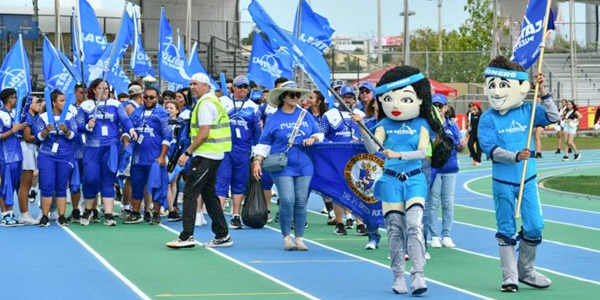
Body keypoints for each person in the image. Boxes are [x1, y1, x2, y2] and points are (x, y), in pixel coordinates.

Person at [354, 66, 451, 295]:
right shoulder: (383, 125)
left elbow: (422, 153)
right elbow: (373, 149)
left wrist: (398, 155)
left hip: (415, 179)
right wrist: (361, 127)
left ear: (419, 100)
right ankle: (398, 276)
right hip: (390, 181)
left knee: (414, 225)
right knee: (394, 229)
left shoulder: (422, 124)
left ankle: (418, 275)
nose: (396, 106)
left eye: (404, 99)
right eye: (389, 99)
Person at [479, 56, 558, 292]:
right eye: (492, 85)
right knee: (505, 229)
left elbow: (554, 118)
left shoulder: (529, 110)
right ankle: (510, 277)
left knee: (534, 226)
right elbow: (489, 148)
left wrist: (543, 90)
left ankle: (526, 271)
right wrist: (514, 156)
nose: (497, 91)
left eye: (503, 85)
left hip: (528, 179)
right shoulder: (487, 118)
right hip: (502, 182)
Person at [252, 81, 324, 251]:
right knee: (287, 200)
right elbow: (265, 142)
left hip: (305, 165)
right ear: (283, 97)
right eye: (291, 94)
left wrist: (313, 139)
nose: (295, 97)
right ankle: (286, 236)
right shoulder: (274, 117)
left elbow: (319, 133)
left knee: (300, 201)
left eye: (297, 95)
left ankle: (299, 237)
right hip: (282, 164)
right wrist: (257, 161)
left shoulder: (305, 115)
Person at [166, 73, 233, 248]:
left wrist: (187, 153)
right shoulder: (211, 101)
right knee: (209, 195)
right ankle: (222, 234)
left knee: (189, 194)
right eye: (190, 84)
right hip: (213, 154)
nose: (192, 87)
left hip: (206, 155)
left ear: (205, 85)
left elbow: (204, 132)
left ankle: (186, 236)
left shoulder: (205, 104)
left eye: (195, 84)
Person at [76, 79, 137, 226]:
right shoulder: (86, 105)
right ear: (94, 90)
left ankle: (109, 214)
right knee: (90, 178)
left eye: (107, 88)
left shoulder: (115, 104)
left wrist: (131, 129)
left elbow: (124, 120)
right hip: (92, 147)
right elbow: (77, 124)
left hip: (110, 146)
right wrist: (87, 125)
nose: (105, 91)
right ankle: (89, 210)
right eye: (101, 88)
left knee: (108, 179)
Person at [216, 75, 261, 229]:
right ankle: (219, 215)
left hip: (243, 148)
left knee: (239, 182)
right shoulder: (222, 102)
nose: (243, 90)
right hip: (224, 147)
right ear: (233, 88)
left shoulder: (253, 106)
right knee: (222, 180)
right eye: (240, 86)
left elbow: (256, 131)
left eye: (245, 87)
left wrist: (256, 153)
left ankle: (236, 215)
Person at [320, 85, 365, 235]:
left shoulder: (360, 114)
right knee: (339, 191)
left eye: (351, 96)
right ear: (339, 98)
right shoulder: (329, 114)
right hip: (336, 158)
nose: (348, 99)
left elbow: (367, 134)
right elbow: (321, 135)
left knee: (358, 190)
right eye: (345, 96)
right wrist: (333, 147)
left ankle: (360, 223)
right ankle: (339, 223)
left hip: (356, 158)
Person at [124, 87, 171, 225]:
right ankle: (135, 212)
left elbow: (167, 136)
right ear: (142, 97)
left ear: (157, 98)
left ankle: (155, 213)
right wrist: (126, 140)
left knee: (157, 186)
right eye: (146, 97)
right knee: (137, 184)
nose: (149, 100)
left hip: (155, 157)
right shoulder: (136, 112)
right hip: (138, 156)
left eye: (152, 97)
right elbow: (128, 130)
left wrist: (162, 156)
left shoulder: (162, 113)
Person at [34, 90, 78, 227]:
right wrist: (46, 131)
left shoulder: (70, 117)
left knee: (61, 186)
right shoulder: (43, 117)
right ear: (53, 102)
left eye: (65, 100)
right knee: (47, 185)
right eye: (61, 100)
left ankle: (62, 216)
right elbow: (38, 138)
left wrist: (66, 131)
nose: (64, 104)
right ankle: (45, 216)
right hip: (47, 155)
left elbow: (74, 136)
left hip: (65, 155)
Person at [427, 94, 465, 249]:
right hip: (434, 168)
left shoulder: (452, 126)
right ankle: (434, 235)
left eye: (440, 106)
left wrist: (462, 144)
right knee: (433, 202)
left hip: (450, 168)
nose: (438, 108)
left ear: (446, 108)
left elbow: (459, 147)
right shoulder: (429, 125)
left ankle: (446, 235)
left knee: (448, 203)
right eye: (435, 105)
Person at [0, 88, 27, 226]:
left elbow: (17, 135)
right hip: (5, 156)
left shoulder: (14, 114)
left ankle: (10, 213)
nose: (17, 100)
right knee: (5, 184)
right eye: (15, 97)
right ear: (9, 99)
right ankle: (5, 215)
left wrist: (20, 129)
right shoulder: (0, 114)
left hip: (17, 154)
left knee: (14, 184)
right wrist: (13, 130)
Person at [119, 84, 145, 220]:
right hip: (131, 145)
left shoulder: (135, 106)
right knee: (130, 177)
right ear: (140, 95)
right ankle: (126, 207)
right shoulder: (130, 107)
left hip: (138, 145)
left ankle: (137, 206)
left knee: (137, 178)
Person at [18, 97, 43, 225]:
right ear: (28, 105)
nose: (39, 104)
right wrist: (44, 136)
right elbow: (27, 137)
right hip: (26, 149)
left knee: (29, 183)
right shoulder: (27, 116)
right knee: (25, 184)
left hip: (33, 149)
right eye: (36, 102)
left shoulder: (37, 117)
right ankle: (24, 215)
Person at [67, 82, 86, 223]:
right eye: (80, 92)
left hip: (90, 149)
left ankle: (90, 209)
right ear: (75, 93)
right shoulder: (69, 108)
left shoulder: (92, 107)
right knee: (74, 182)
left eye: (85, 92)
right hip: (73, 149)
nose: (83, 95)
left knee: (90, 180)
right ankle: (75, 209)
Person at [466, 101, 482, 165]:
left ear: (477, 106)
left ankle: (478, 160)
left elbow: (482, 124)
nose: (472, 107)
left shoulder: (481, 114)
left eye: (473, 105)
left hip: (479, 132)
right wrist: (467, 132)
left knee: (478, 147)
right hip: (472, 132)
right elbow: (469, 123)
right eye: (471, 106)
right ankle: (475, 158)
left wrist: (480, 132)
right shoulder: (469, 114)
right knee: (469, 144)